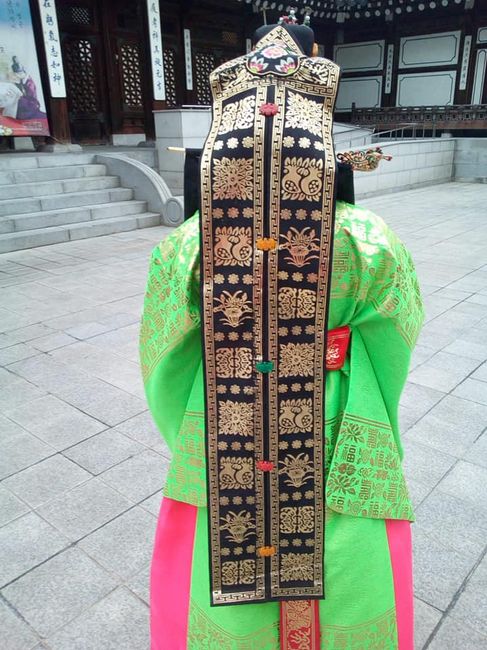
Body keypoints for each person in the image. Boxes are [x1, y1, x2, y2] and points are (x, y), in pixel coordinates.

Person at [140, 12, 424, 650]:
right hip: (339, 412)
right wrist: (367, 395)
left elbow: (165, 360)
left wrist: (191, 421)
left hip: (227, 420)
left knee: (222, 554)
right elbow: (396, 340)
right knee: (347, 555)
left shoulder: (187, 246)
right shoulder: (371, 240)